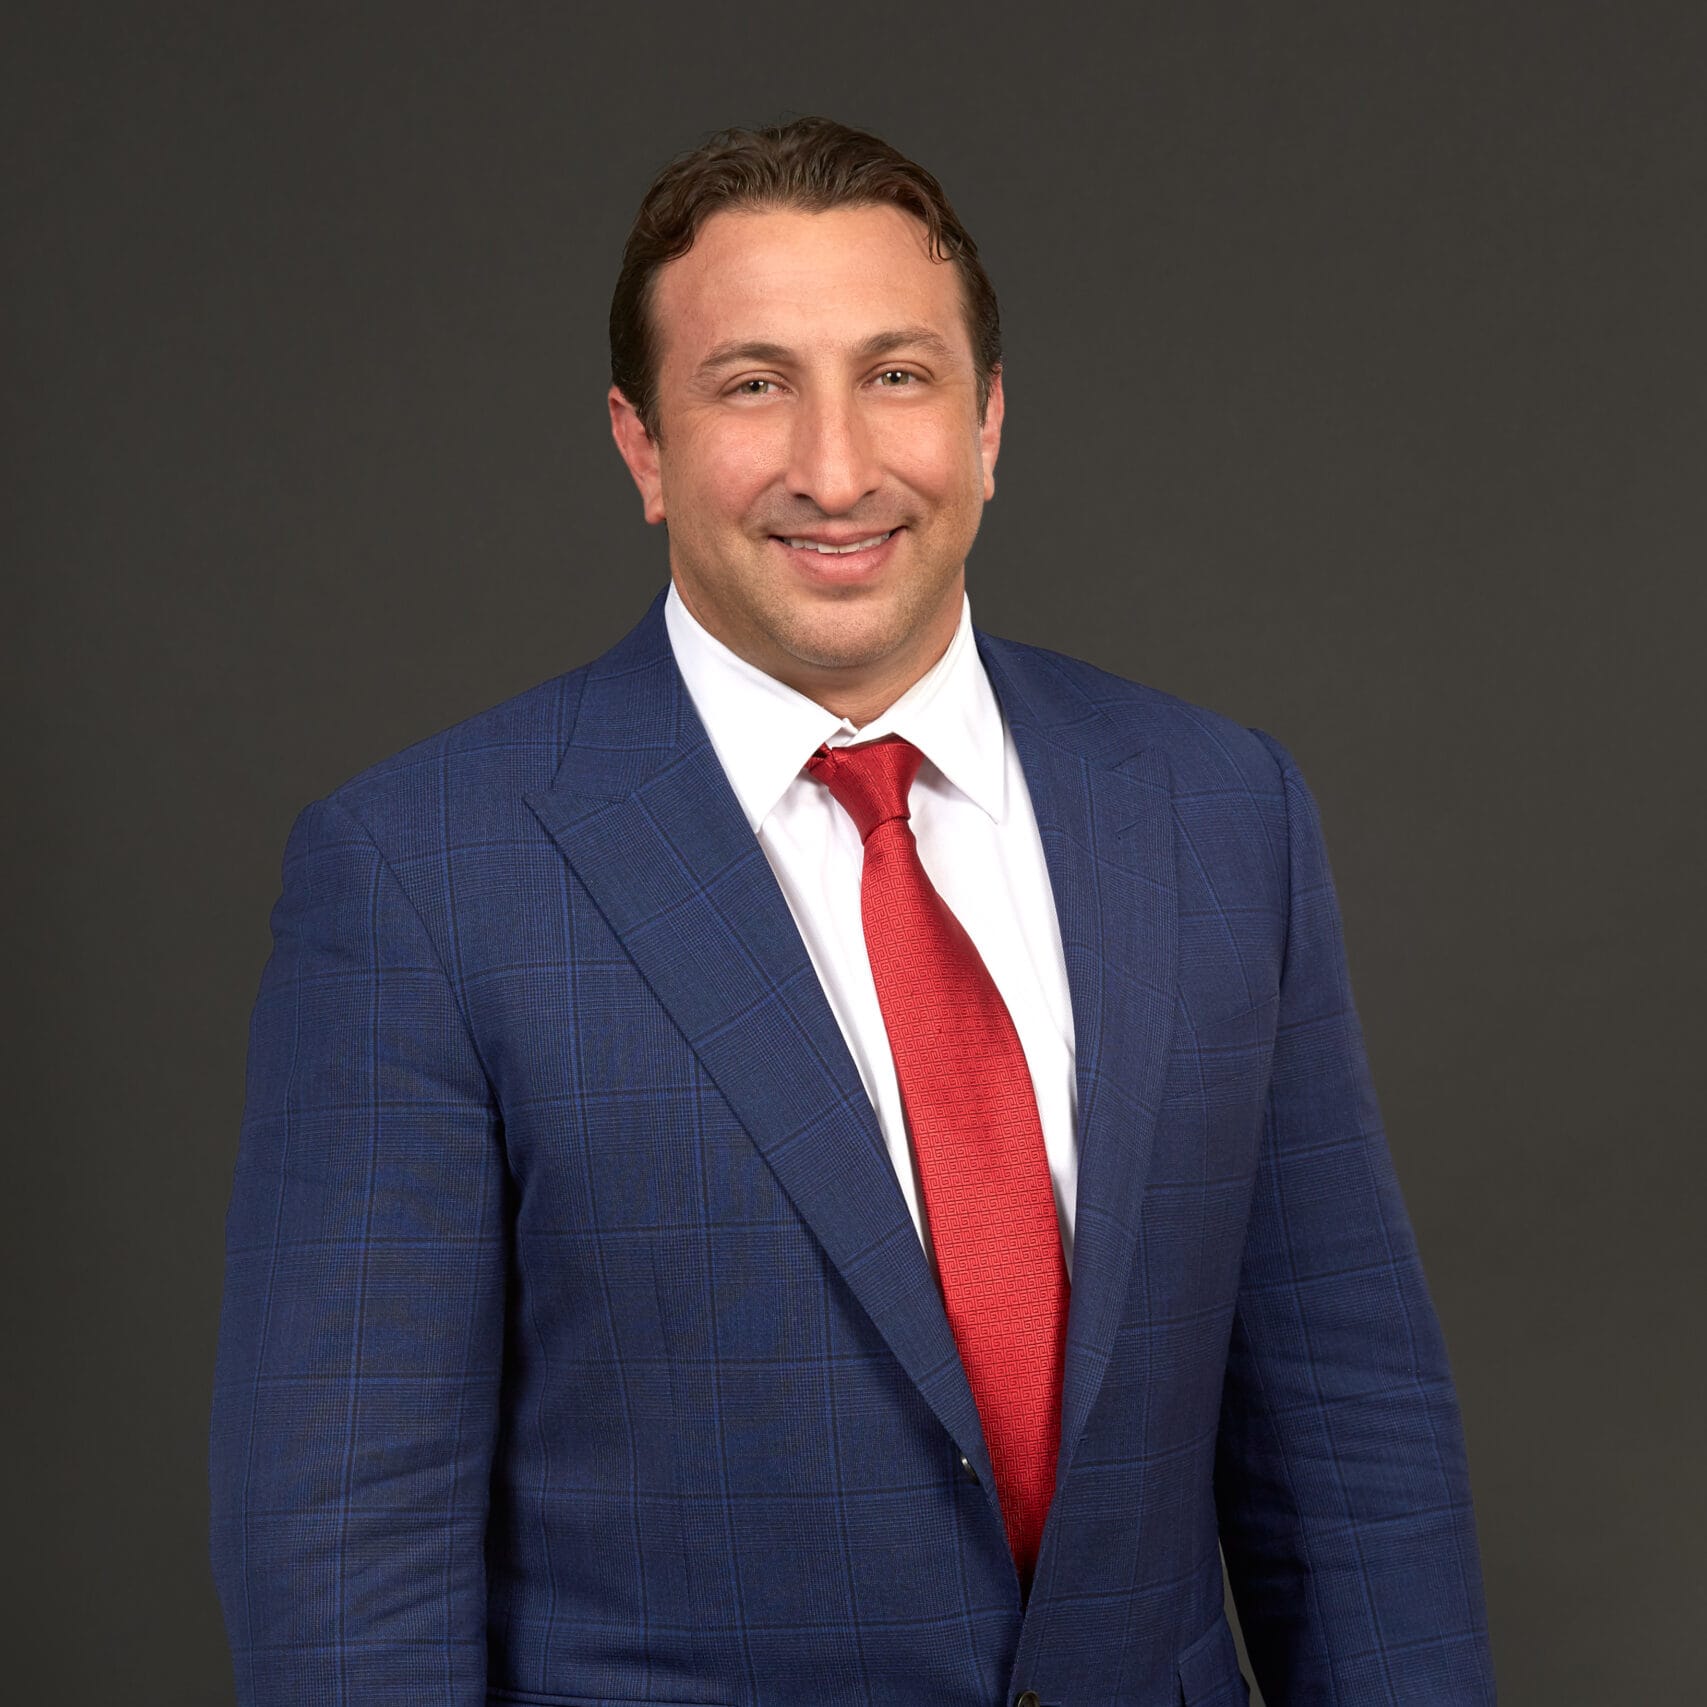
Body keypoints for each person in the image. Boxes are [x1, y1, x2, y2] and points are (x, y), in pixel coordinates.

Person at [208, 116, 1497, 1707]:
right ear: (643, 446)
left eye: (897, 375)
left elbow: (1352, 1435)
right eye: (754, 385)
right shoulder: (425, 872)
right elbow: (347, 1552)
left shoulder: (1215, 808)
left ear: (989, 420)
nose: (837, 468)